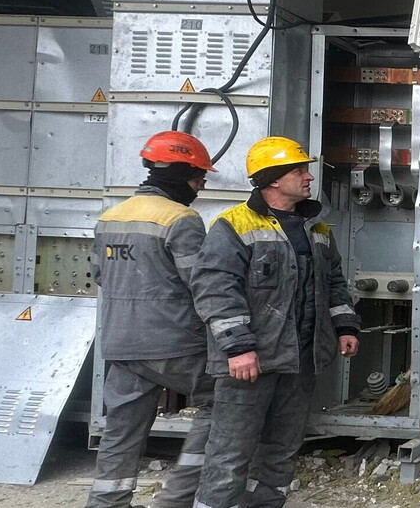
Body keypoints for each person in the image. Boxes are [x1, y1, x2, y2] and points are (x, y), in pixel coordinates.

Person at [191, 136, 361, 508]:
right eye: (298, 170)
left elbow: (333, 283)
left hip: (300, 362)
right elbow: (215, 289)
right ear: (272, 179)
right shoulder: (233, 225)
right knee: (230, 454)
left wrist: (345, 327)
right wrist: (238, 348)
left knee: (280, 452)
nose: (308, 177)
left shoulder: (317, 228)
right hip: (250, 363)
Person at [86, 131, 215, 508]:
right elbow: (201, 284)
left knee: (121, 432)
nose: (200, 187)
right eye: (197, 178)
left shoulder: (109, 217)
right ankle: (176, 500)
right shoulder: (182, 219)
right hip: (174, 344)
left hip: (121, 343)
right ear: (177, 173)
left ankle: (107, 502)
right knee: (225, 400)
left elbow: (99, 275)